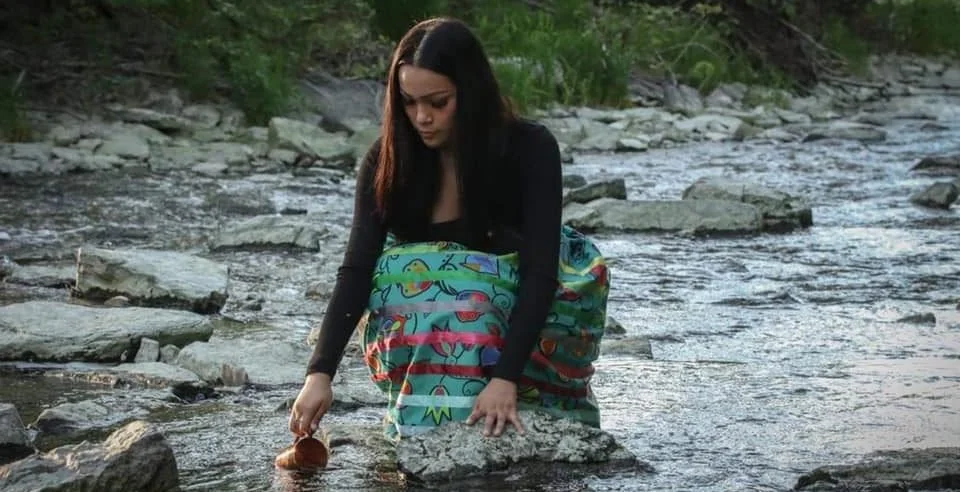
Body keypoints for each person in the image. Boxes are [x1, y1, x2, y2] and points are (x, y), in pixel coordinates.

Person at [288, 17, 610, 441]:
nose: (422, 117)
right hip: (448, 330)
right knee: (400, 275)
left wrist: (504, 379)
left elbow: (539, 272)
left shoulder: (530, 148)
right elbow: (357, 269)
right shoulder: (387, 162)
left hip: (531, 314)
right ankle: (426, 420)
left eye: (439, 102)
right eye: (408, 102)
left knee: (462, 287)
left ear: (471, 93)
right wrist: (320, 373)